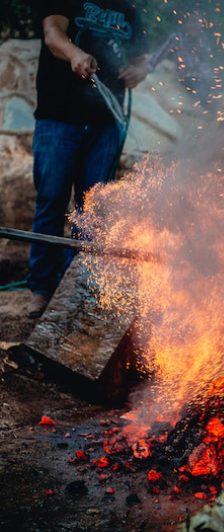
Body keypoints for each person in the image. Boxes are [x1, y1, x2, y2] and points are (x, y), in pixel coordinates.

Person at [28, 0, 149, 318]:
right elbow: (53, 33)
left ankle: (74, 291)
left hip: (107, 124)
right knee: (51, 202)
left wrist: (139, 70)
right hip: (58, 118)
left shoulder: (129, 10)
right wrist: (75, 54)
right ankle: (41, 289)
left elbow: (142, 58)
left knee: (92, 210)